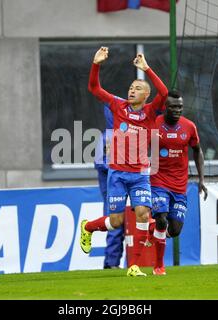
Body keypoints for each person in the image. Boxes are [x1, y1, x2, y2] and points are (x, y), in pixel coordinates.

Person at [80, 47, 168, 277]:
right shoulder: (117, 105)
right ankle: (88, 227)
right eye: (131, 87)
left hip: (140, 175)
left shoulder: (150, 112)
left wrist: (146, 69)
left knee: (142, 214)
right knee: (117, 221)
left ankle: (134, 266)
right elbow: (94, 88)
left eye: (137, 88)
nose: (132, 90)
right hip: (117, 174)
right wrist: (96, 63)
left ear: (146, 95)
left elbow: (165, 93)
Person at [149, 90, 208, 275]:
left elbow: (198, 151)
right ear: (165, 107)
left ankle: (155, 231)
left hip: (179, 185)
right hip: (158, 181)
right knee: (161, 218)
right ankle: (159, 266)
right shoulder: (154, 124)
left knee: (174, 230)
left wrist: (201, 179)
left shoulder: (189, 127)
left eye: (180, 107)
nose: (177, 110)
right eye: (173, 106)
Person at [94, 103, 125, 269]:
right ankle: (111, 263)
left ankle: (113, 262)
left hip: (120, 186)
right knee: (115, 223)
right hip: (111, 188)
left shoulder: (122, 135)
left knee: (120, 224)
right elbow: (100, 163)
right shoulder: (107, 136)